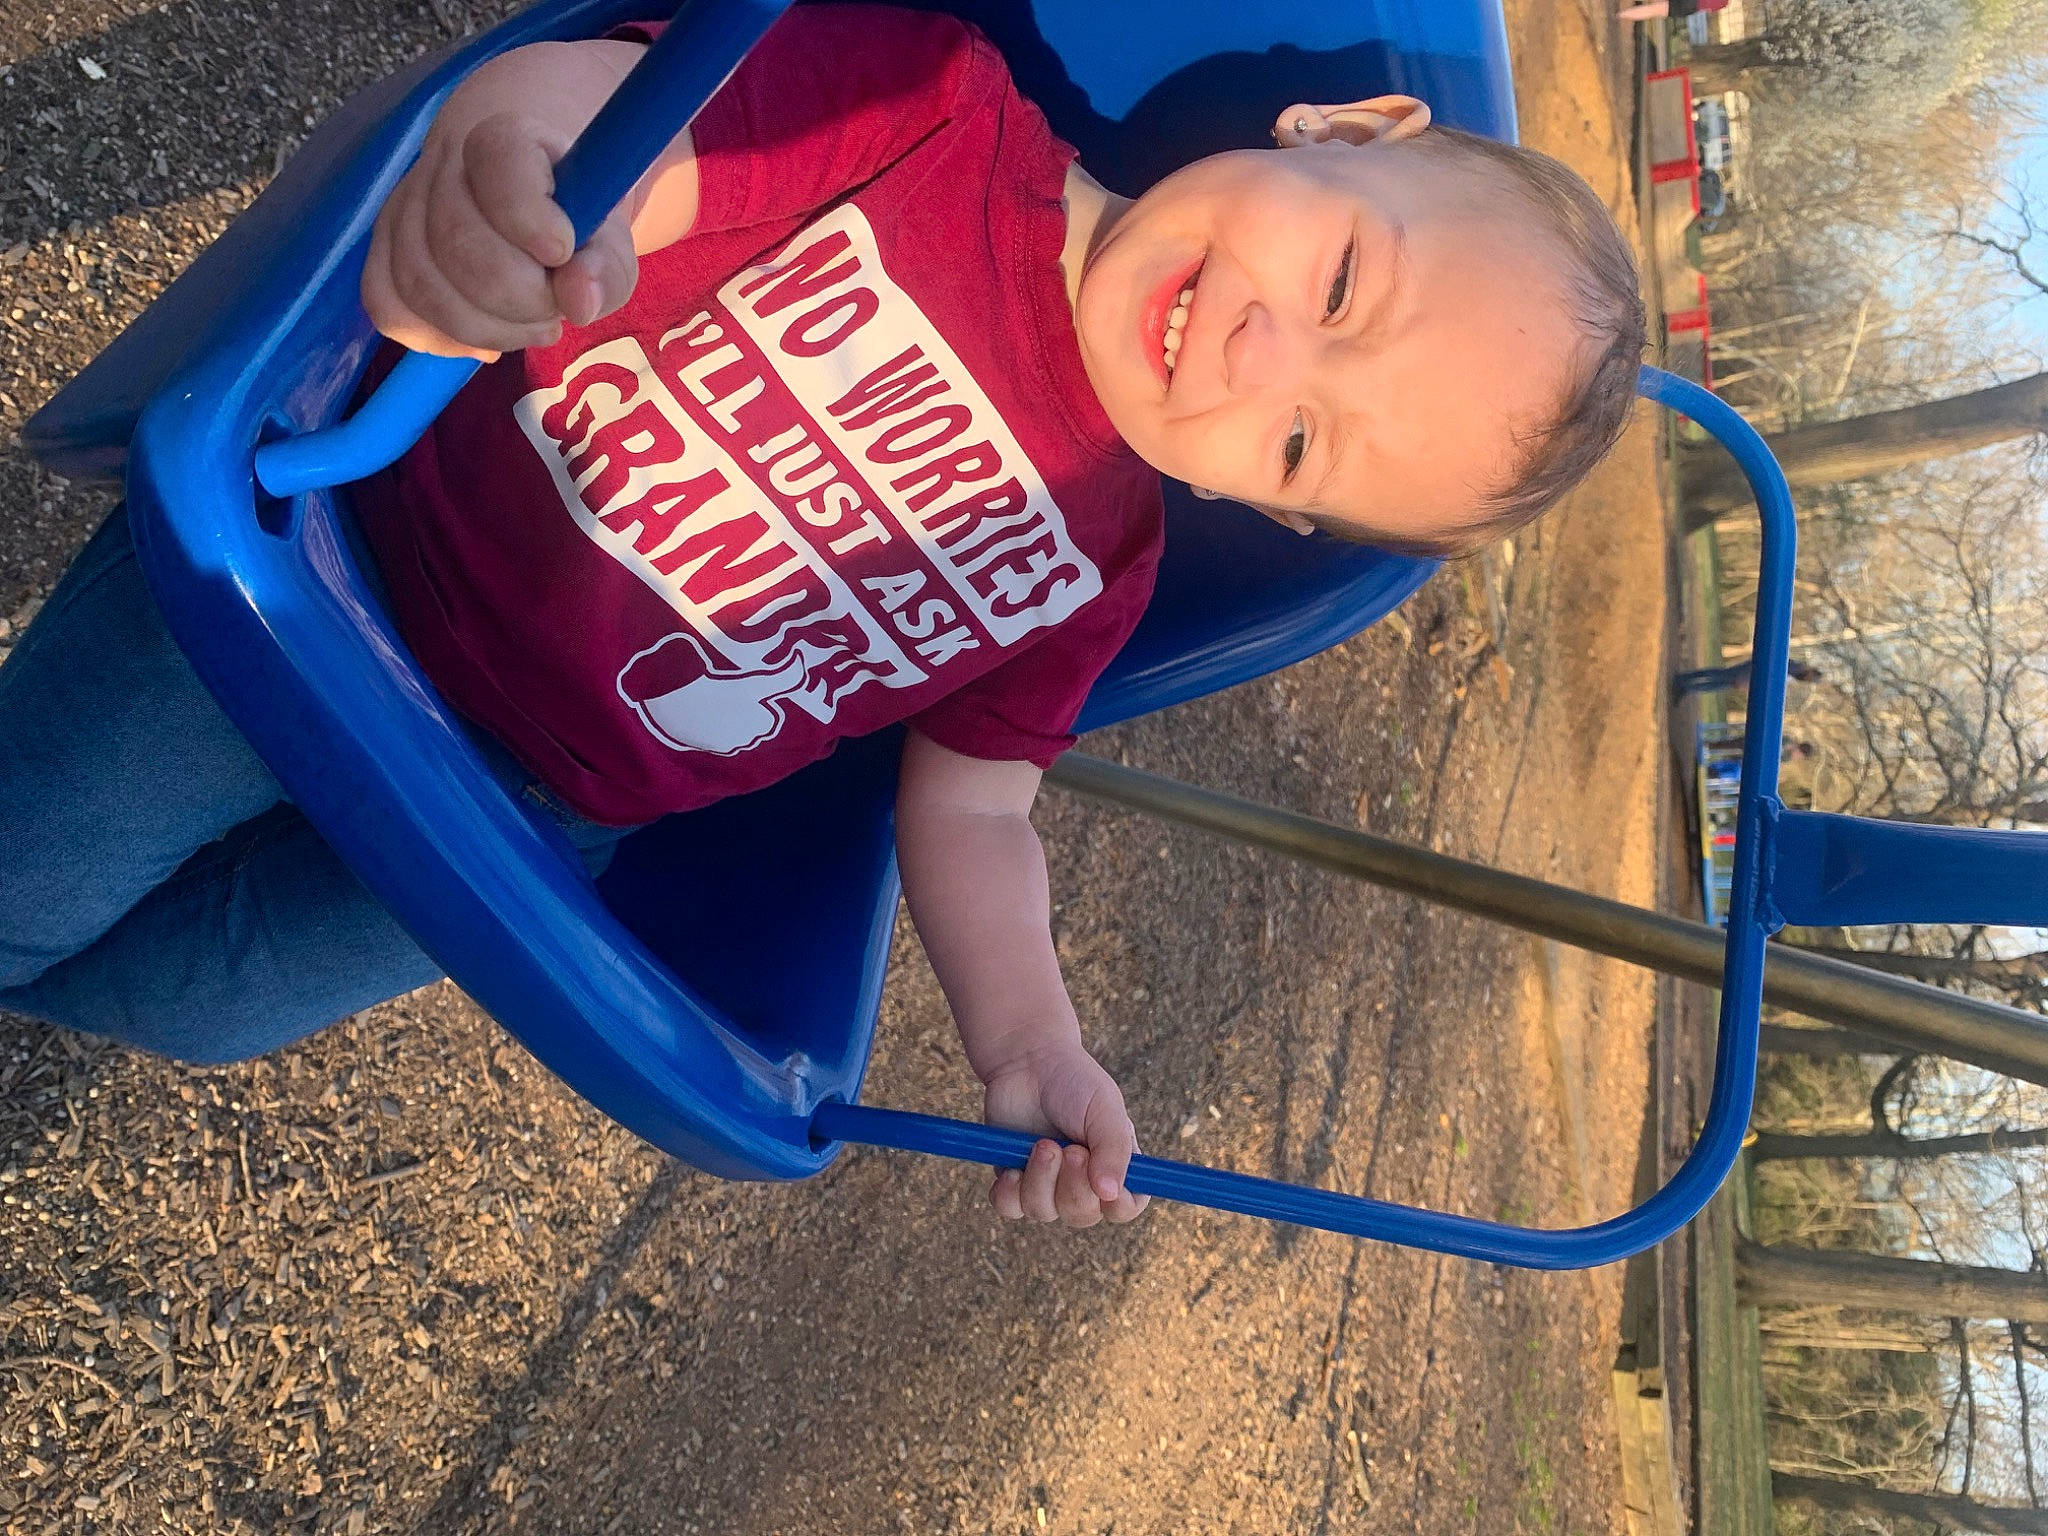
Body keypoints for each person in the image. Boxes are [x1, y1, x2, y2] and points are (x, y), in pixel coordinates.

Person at [0, 6, 1646, 1230]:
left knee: (200, 1006)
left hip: (534, 813)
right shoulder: (929, 112)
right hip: (343, 572)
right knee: (21, 884)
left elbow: (977, 809)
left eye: (1299, 445)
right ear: (1346, 131)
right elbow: (619, 123)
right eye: (1345, 283)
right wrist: (513, 181)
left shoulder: (1099, 567)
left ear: (1275, 514)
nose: (1260, 355)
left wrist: (1030, 1041)